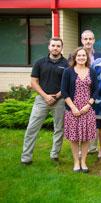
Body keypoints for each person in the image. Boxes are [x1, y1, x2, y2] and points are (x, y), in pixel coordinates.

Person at [21, 37, 68, 165]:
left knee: (59, 129)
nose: (55, 48)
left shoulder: (67, 64)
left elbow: (67, 84)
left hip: (59, 100)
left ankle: (54, 155)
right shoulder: (40, 62)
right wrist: (45, 96)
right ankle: (26, 158)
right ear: (49, 47)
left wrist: (56, 96)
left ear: (61, 48)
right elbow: (34, 82)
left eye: (58, 46)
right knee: (32, 128)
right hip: (41, 100)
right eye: (53, 45)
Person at [61, 47, 98, 173]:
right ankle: (76, 162)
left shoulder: (92, 71)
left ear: (87, 58)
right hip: (73, 109)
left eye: (84, 55)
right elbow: (64, 91)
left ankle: (84, 161)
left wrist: (89, 105)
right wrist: (73, 108)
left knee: (87, 137)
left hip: (87, 109)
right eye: (79, 55)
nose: (81, 57)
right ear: (74, 57)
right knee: (74, 137)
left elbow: (96, 90)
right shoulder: (68, 71)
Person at [81, 30, 101, 154]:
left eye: (90, 39)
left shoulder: (100, 55)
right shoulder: (76, 55)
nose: (88, 41)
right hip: (80, 92)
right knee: (81, 119)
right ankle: (81, 147)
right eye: (86, 39)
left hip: (96, 91)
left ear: (94, 40)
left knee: (94, 119)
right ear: (82, 40)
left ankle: (93, 147)